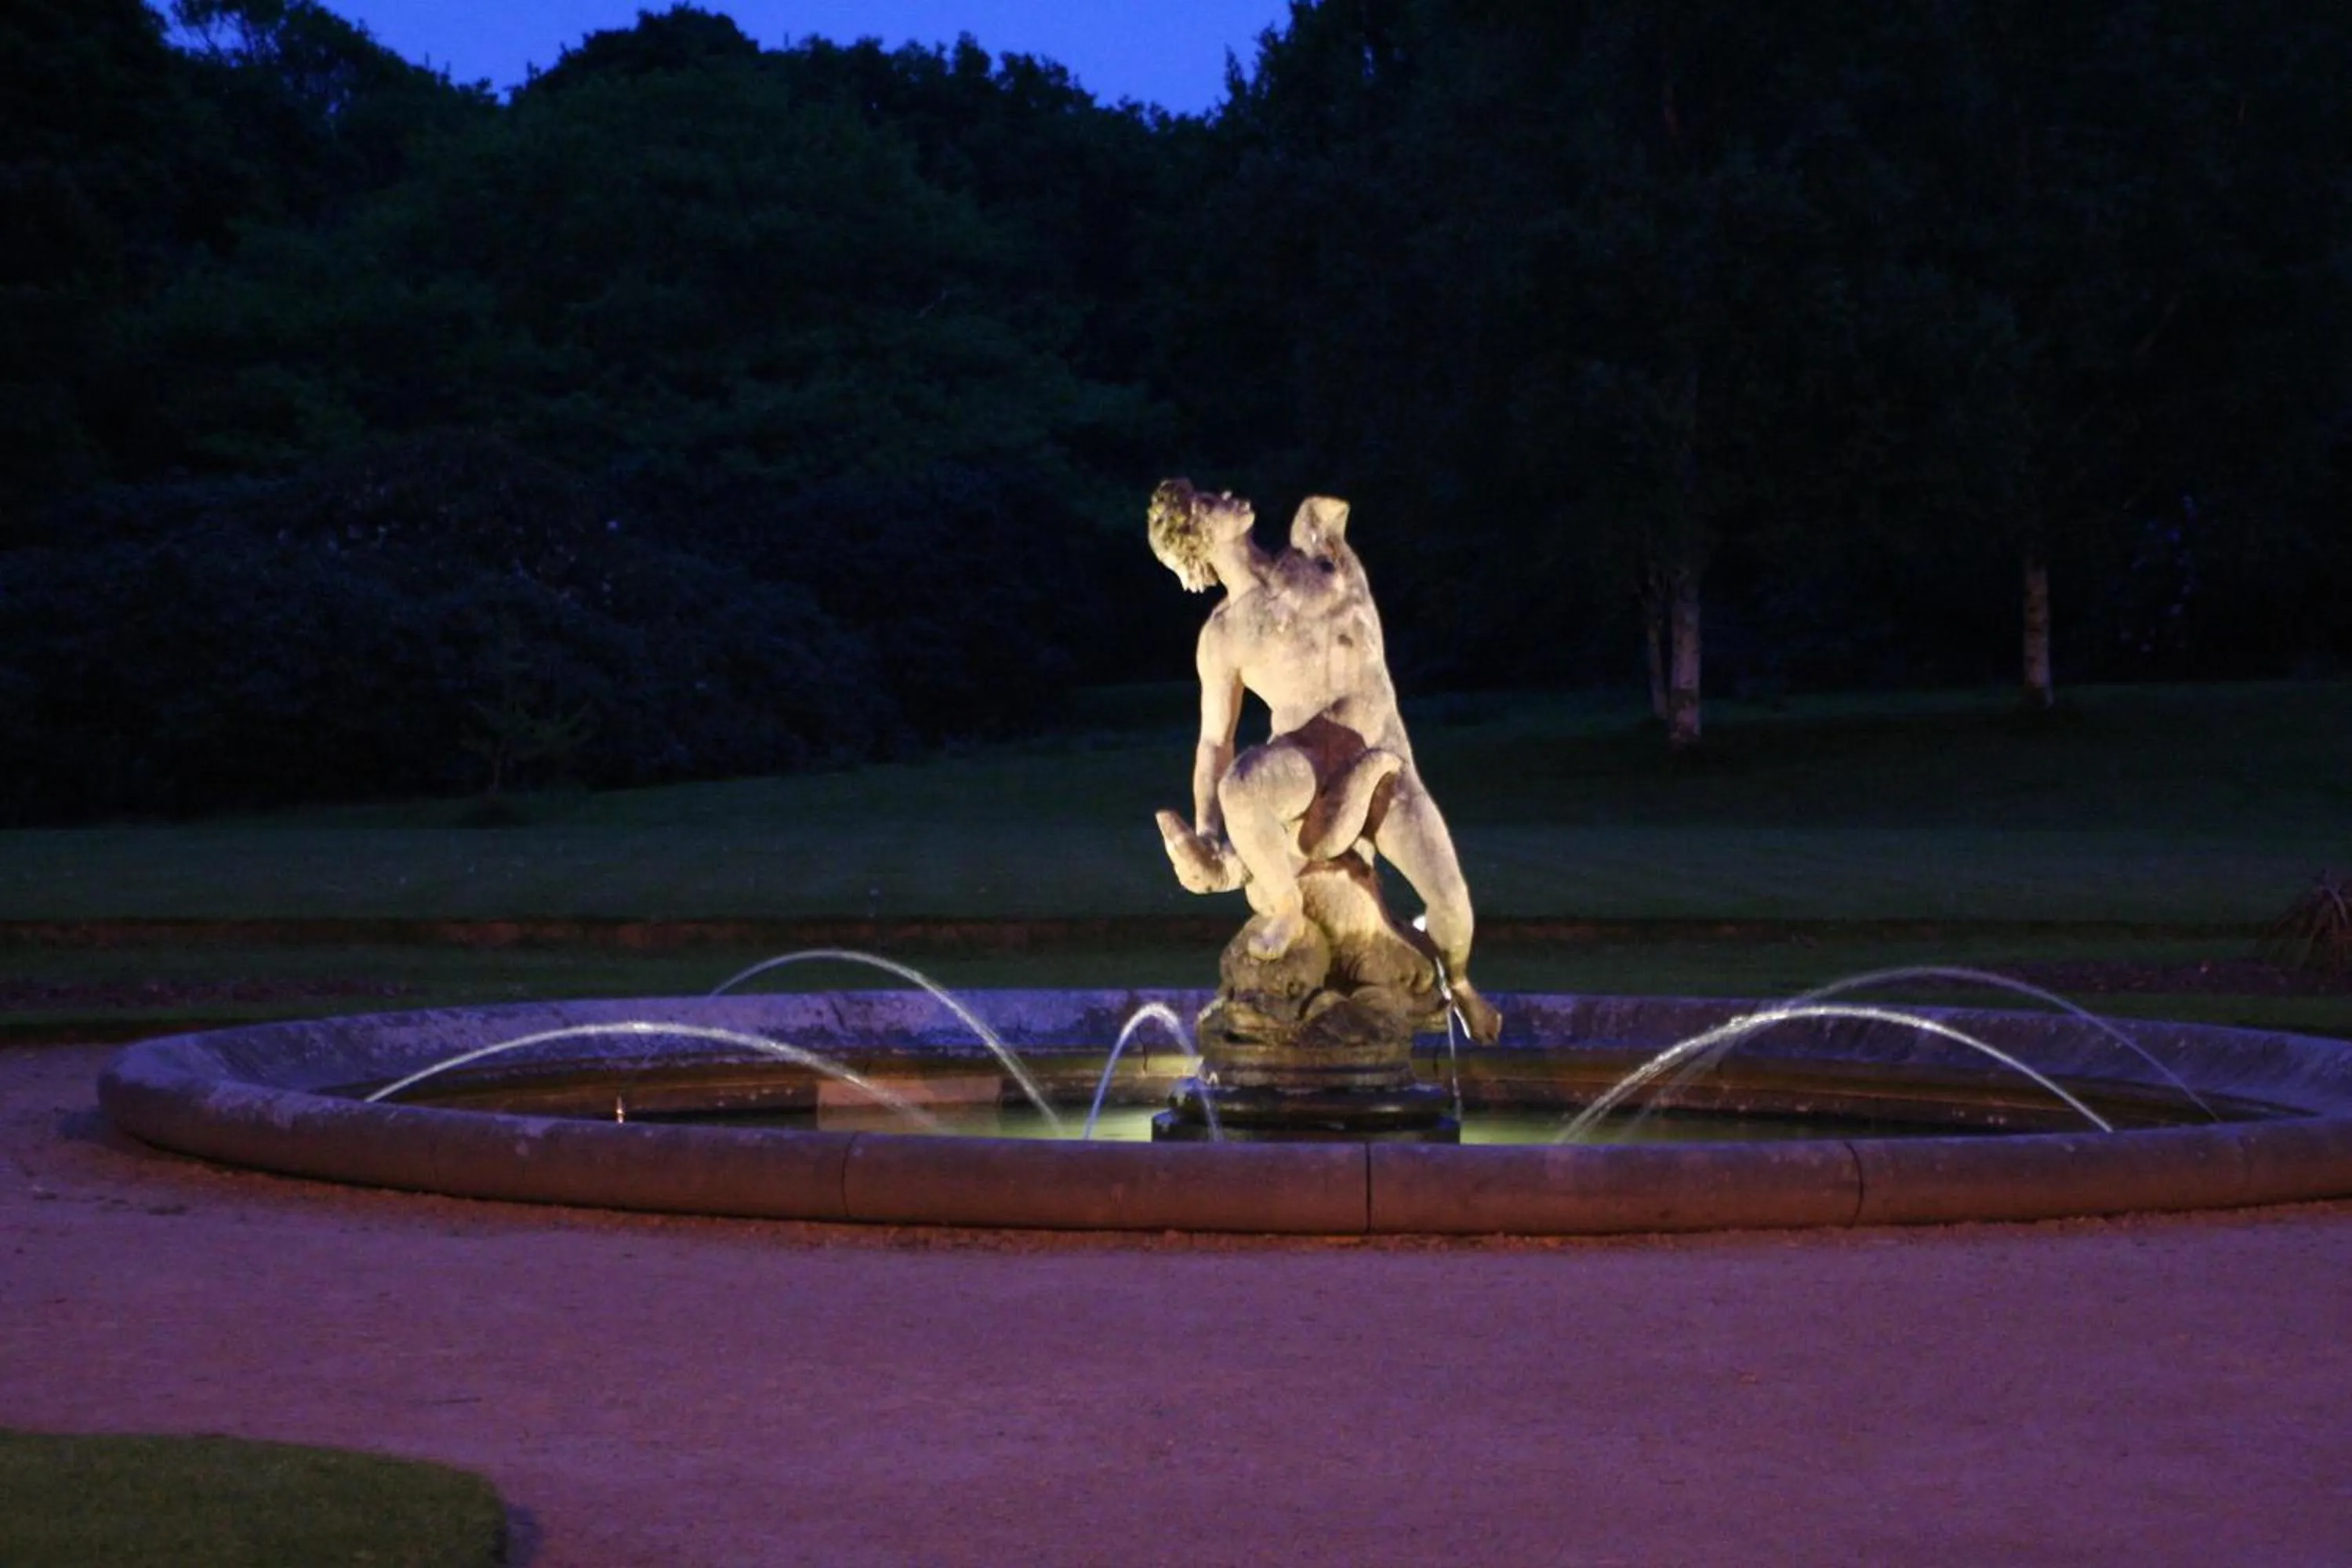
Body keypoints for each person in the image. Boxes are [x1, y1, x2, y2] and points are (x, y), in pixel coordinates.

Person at [1147, 479, 1499, 1041]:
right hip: (1306, 759)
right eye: (1209, 502)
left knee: (1451, 900)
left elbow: (1346, 496)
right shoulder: (1223, 634)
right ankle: (1286, 907)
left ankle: (1458, 984)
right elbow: (1215, 742)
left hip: (1384, 752)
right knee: (1243, 783)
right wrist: (1211, 829)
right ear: (1197, 537)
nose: (1228, 493)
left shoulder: (1310, 544)